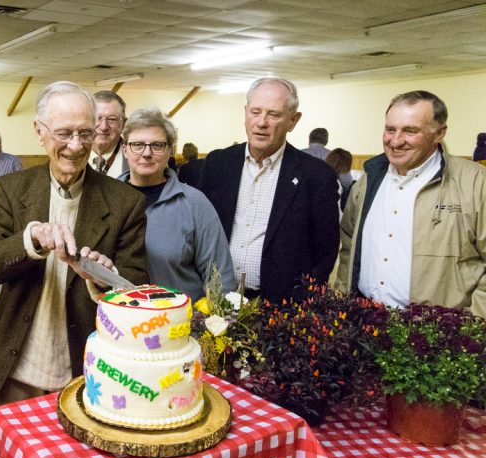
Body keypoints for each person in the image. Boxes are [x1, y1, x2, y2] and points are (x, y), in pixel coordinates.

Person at [0, 81, 148, 407]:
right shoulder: (12, 189)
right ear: (40, 131)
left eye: (85, 133)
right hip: (15, 370)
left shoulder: (125, 202)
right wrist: (31, 239)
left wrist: (105, 279)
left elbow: (136, 287)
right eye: (64, 133)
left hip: (86, 373)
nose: (76, 146)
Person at [336, 91, 486, 316]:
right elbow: (348, 244)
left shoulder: (475, 182)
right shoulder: (370, 178)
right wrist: (342, 301)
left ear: (439, 133)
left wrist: (469, 324)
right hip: (365, 321)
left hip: (438, 334)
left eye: (410, 131)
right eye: (390, 129)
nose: (395, 141)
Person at [196, 78, 339, 304]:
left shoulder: (316, 176)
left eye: (273, 114)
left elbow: (325, 251)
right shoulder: (218, 164)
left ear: (293, 120)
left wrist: (303, 302)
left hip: (280, 310)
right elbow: (199, 231)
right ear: (245, 114)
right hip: (217, 300)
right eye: (255, 112)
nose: (261, 122)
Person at [120, 108, 234, 300]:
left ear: (170, 151)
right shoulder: (108, 200)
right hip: (118, 325)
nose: (146, 153)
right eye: (137, 145)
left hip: (180, 326)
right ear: (125, 150)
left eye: (157, 145)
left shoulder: (195, 203)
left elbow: (220, 276)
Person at [88, 90, 129, 178]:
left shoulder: (136, 160)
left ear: (123, 124)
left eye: (112, 119)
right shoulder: (71, 155)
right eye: (97, 118)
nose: (103, 127)